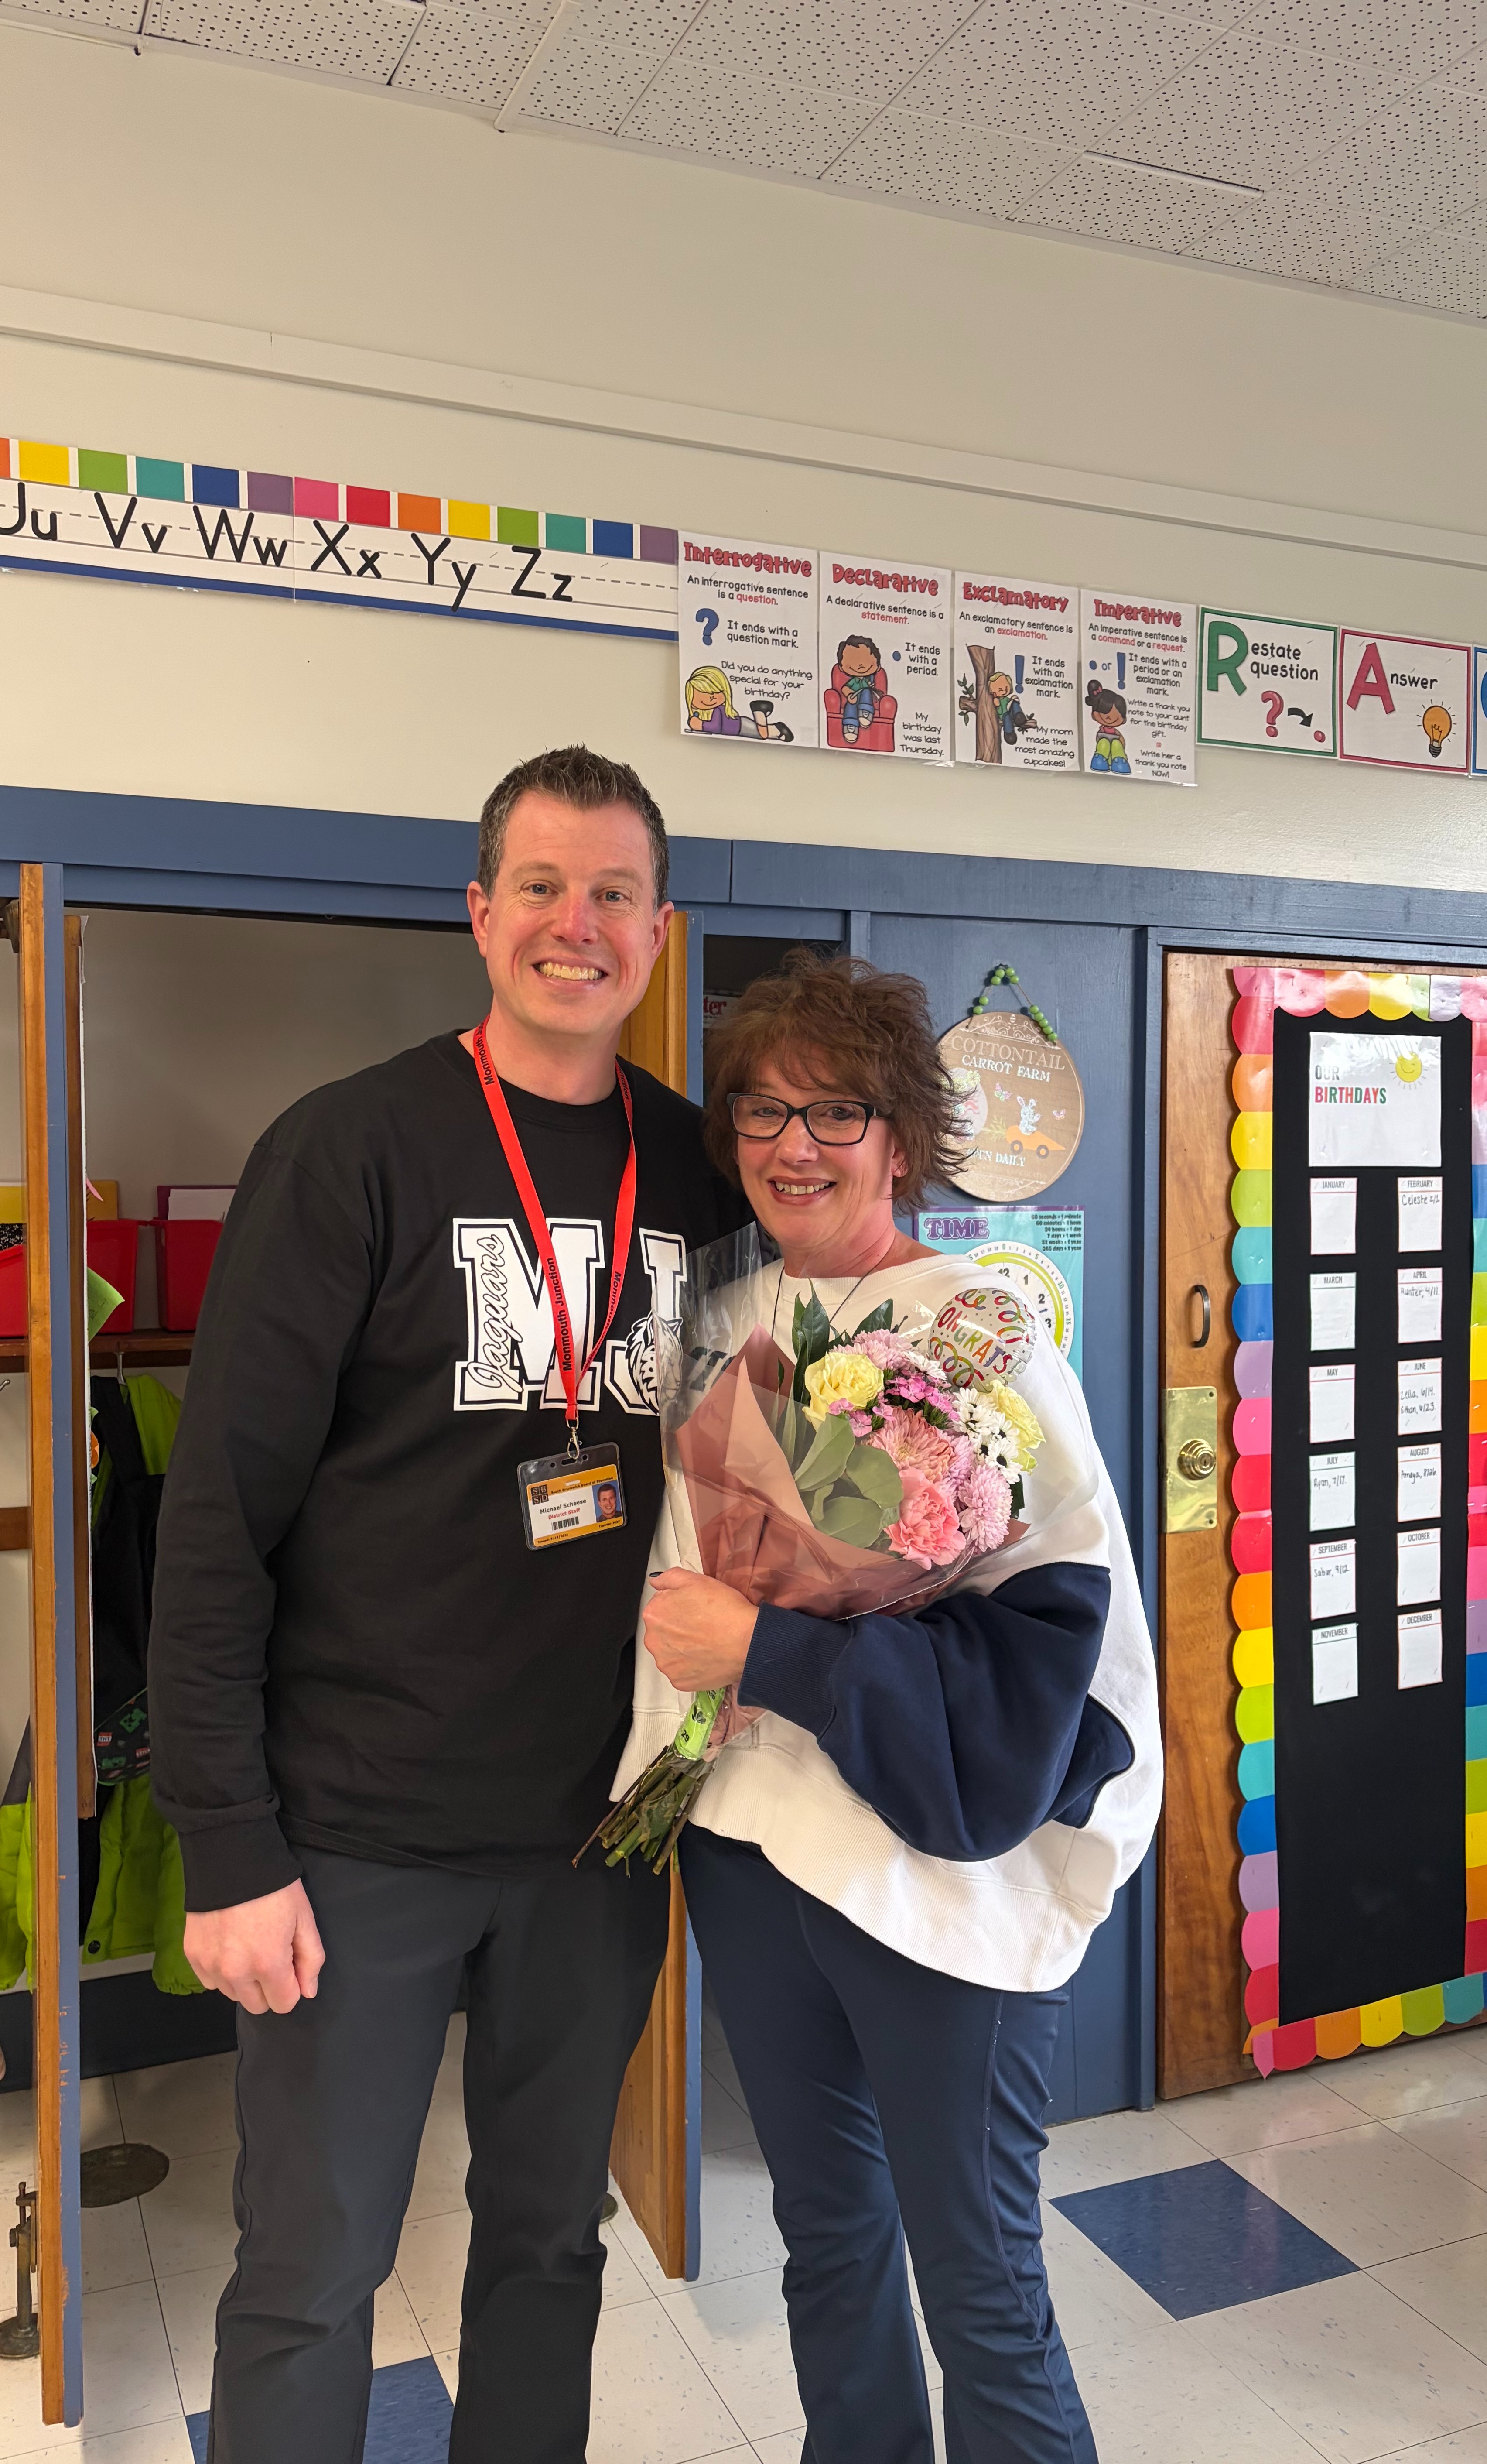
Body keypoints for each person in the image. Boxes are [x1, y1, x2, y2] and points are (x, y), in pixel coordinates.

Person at [148, 745, 745, 2464]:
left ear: (658, 927)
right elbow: (218, 1526)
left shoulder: (699, 1175)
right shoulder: (351, 1151)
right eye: (542, 887)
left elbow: (764, 1480)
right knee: (312, 2270)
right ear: (479, 914)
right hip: (355, 1842)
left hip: (602, 1834)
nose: (578, 924)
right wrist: (230, 1850)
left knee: (552, 2243)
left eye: (613, 892)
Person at [614, 951, 1163, 2464]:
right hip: (749, 1841)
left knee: (981, 2278)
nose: (795, 1144)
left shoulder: (982, 1329)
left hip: (932, 1872)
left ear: (903, 1136)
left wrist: (775, 1653)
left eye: (837, 1111)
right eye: (764, 1113)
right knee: (826, 2236)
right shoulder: (722, 1319)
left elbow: (1062, 1637)